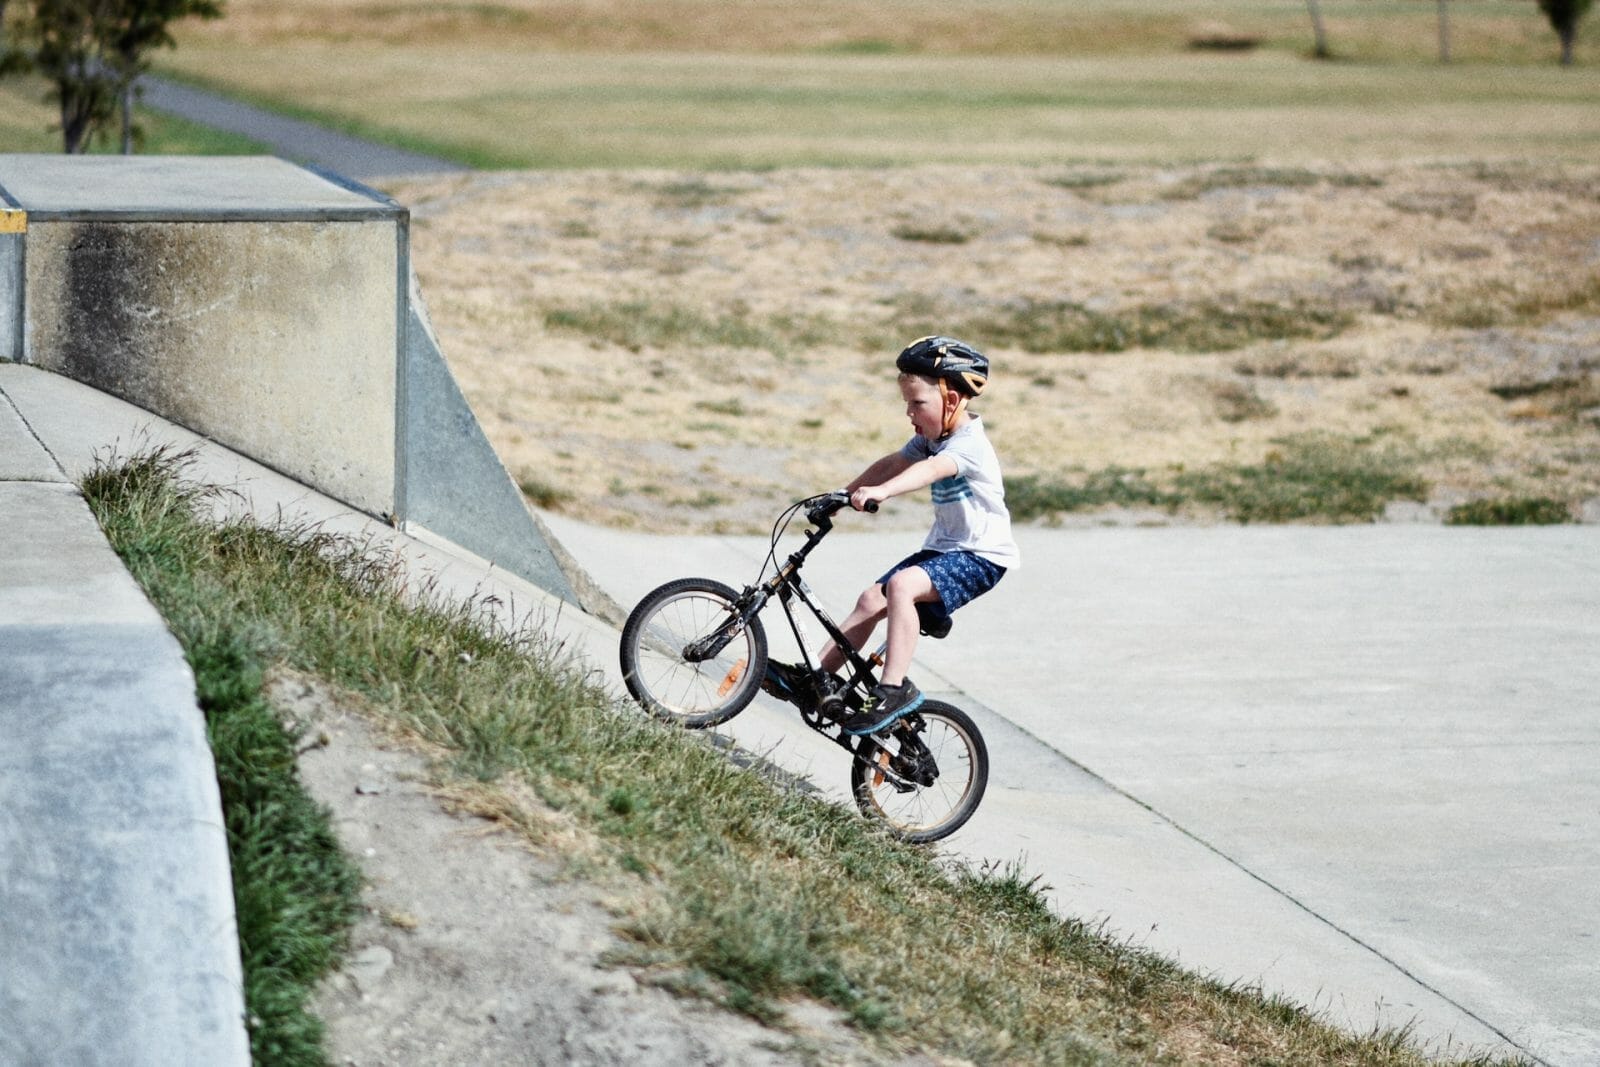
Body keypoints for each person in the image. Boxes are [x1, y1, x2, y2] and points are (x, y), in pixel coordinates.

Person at [765, 335, 1019, 735]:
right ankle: (816, 678)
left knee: (901, 587)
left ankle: (892, 689)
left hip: (981, 556)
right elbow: (896, 461)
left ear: (951, 401)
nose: (909, 412)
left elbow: (927, 471)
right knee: (871, 599)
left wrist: (882, 492)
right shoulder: (932, 439)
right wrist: (843, 495)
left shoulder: (970, 445)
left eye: (917, 404)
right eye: (906, 403)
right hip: (944, 549)